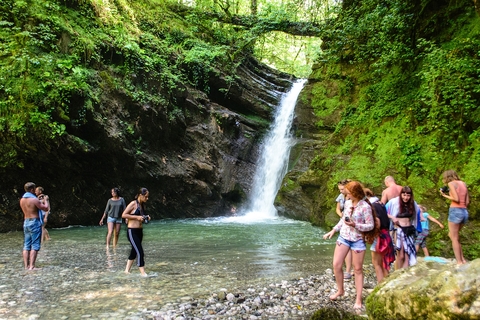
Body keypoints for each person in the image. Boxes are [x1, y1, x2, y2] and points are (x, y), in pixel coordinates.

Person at [323, 181, 375, 310]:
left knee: (357, 269)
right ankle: (340, 290)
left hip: (357, 239)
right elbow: (343, 220)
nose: (346, 194)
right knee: (336, 265)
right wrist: (334, 230)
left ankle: (358, 298)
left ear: (355, 193)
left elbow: (371, 225)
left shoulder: (365, 207)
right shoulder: (346, 203)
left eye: (348, 192)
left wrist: (355, 225)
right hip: (344, 237)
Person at [440, 170, 470, 265]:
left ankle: (459, 262)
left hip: (455, 210)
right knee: (453, 236)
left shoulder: (451, 184)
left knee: (454, 237)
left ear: (447, 177)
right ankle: (463, 260)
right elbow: (467, 202)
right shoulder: (463, 184)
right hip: (464, 212)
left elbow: (456, 199)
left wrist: (445, 195)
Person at [386, 186, 419, 269]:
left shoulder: (413, 204)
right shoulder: (394, 202)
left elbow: (416, 217)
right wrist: (392, 218)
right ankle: (397, 273)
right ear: (401, 195)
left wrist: (417, 229)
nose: (406, 197)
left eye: (408, 195)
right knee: (400, 255)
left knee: (408, 254)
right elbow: (383, 211)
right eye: (404, 195)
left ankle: (404, 274)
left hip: (409, 231)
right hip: (399, 230)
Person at [365, 188, 394, 283]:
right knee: (384, 263)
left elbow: (377, 222)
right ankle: (387, 284)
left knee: (376, 263)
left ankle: (381, 285)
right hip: (386, 235)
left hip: (379, 236)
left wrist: (370, 235)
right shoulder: (380, 204)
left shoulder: (373, 206)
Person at [20, 182, 49, 270]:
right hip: (34, 222)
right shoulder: (34, 200)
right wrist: (46, 200)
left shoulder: (22, 200)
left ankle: (26, 266)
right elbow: (45, 208)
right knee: (35, 245)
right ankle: (32, 266)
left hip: (26, 222)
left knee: (26, 245)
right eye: (34, 189)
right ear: (32, 189)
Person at [122, 187, 150, 277]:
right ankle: (143, 273)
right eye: (145, 196)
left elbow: (140, 216)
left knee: (134, 251)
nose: (147, 198)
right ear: (140, 195)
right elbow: (124, 215)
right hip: (132, 231)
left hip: (139, 231)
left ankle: (126, 271)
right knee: (140, 252)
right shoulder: (133, 203)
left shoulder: (142, 205)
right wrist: (136, 217)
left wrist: (146, 217)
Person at [335, 179, 353, 280]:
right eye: (339, 189)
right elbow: (337, 209)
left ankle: (351, 270)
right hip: (344, 222)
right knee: (346, 246)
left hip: (353, 223)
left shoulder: (353, 196)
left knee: (352, 247)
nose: (341, 191)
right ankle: (346, 270)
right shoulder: (341, 197)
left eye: (342, 189)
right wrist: (341, 215)